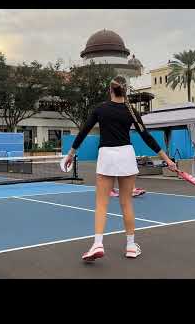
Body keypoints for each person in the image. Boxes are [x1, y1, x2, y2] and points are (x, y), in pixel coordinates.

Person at [64, 75, 176, 261]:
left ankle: (98, 244)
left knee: (101, 204)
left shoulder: (100, 109)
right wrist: (167, 160)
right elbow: (147, 137)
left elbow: (83, 131)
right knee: (126, 203)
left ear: (110, 90)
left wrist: (70, 154)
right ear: (125, 91)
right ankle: (131, 246)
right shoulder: (131, 111)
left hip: (107, 155)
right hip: (126, 156)